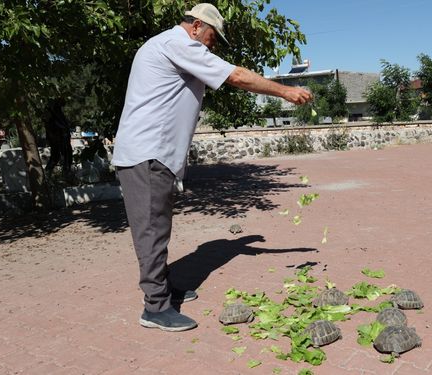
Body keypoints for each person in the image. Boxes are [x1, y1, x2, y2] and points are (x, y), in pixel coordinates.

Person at [112, 3, 312, 332]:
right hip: (147, 153)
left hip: (153, 154)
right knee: (150, 229)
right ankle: (155, 308)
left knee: (158, 226)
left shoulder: (169, 45)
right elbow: (235, 75)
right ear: (196, 27)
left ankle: (161, 288)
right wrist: (285, 91)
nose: (212, 44)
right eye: (212, 36)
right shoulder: (178, 43)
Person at [45, 98, 73, 178]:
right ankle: (48, 175)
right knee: (56, 156)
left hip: (62, 138)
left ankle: (66, 174)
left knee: (66, 156)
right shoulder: (52, 111)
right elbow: (53, 125)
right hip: (58, 138)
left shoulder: (57, 112)